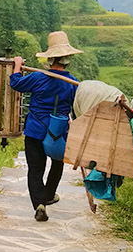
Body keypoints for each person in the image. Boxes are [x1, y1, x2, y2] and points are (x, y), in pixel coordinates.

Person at [10, 31, 82, 222]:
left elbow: (15, 83)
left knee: (35, 169)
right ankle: (49, 195)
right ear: (68, 59)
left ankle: (39, 203)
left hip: (35, 130)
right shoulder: (72, 83)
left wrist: (17, 64)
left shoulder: (39, 78)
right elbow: (76, 108)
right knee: (57, 164)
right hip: (58, 133)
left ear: (50, 59)